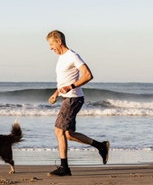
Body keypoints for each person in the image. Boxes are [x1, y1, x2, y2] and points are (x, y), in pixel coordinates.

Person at [46, 30, 110, 176]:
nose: (50, 48)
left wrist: (71, 87)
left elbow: (88, 75)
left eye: (51, 44)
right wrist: (56, 93)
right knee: (68, 134)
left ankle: (64, 168)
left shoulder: (72, 55)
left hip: (73, 98)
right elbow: (64, 80)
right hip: (67, 97)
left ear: (59, 41)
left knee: (59, 131)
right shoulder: (61, 57)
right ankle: (101, 146)